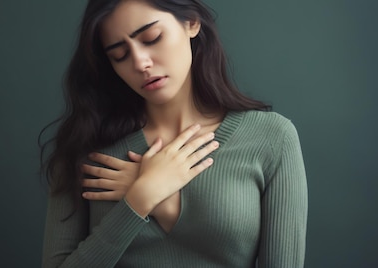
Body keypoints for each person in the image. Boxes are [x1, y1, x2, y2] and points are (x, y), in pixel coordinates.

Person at [39, 0, 308, 267]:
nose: (141, 63)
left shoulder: (272, 138)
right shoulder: (84, 148)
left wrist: (165, 203)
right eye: (119, 55)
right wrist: (141, 197)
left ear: (191, 23)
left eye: (151, 38)